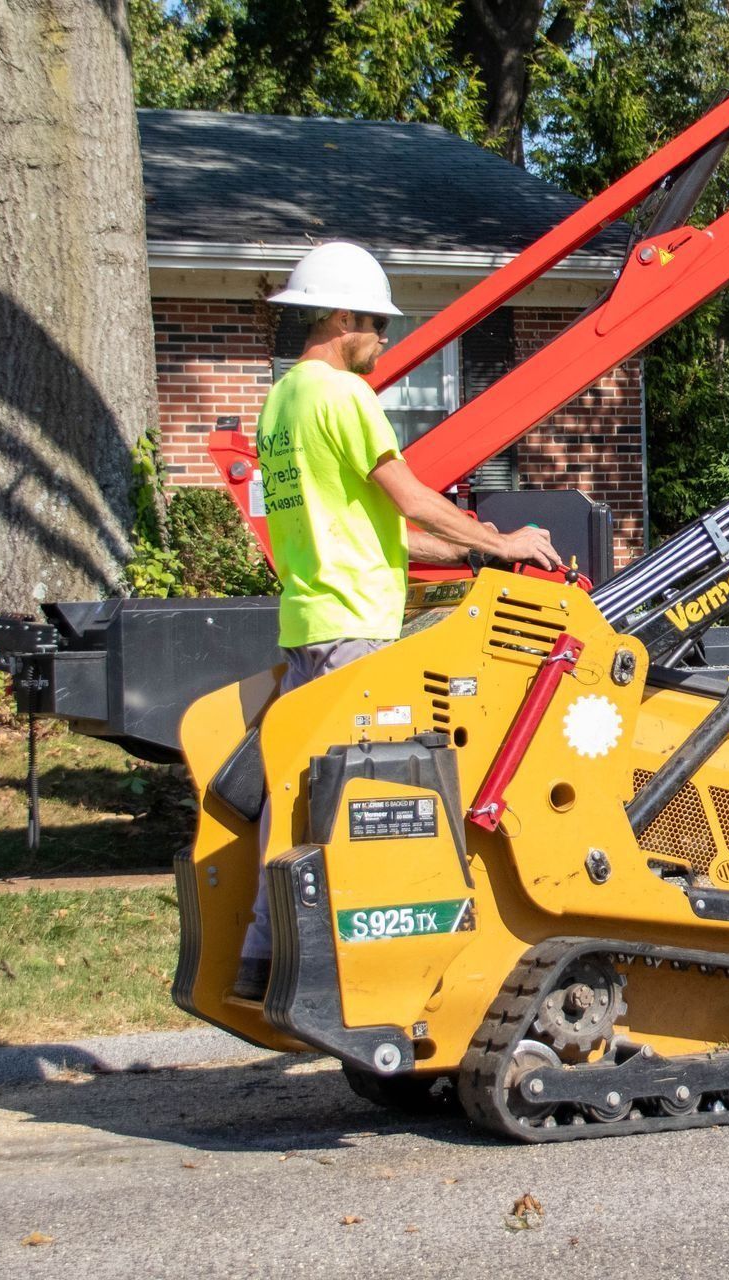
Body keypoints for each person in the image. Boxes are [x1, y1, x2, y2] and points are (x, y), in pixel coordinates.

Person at [234, 241, 559, 999]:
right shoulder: (344, 396)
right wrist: (504, 538)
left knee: (300, 795)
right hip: (356, 626)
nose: (383, 340)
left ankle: (261, 958)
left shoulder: (282, 403)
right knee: (387, 803)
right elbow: (411, 498)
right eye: (377, 326)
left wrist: (479, 558)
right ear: (343, 318)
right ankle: (383, 980)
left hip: (311, 621)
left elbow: (383, 531)